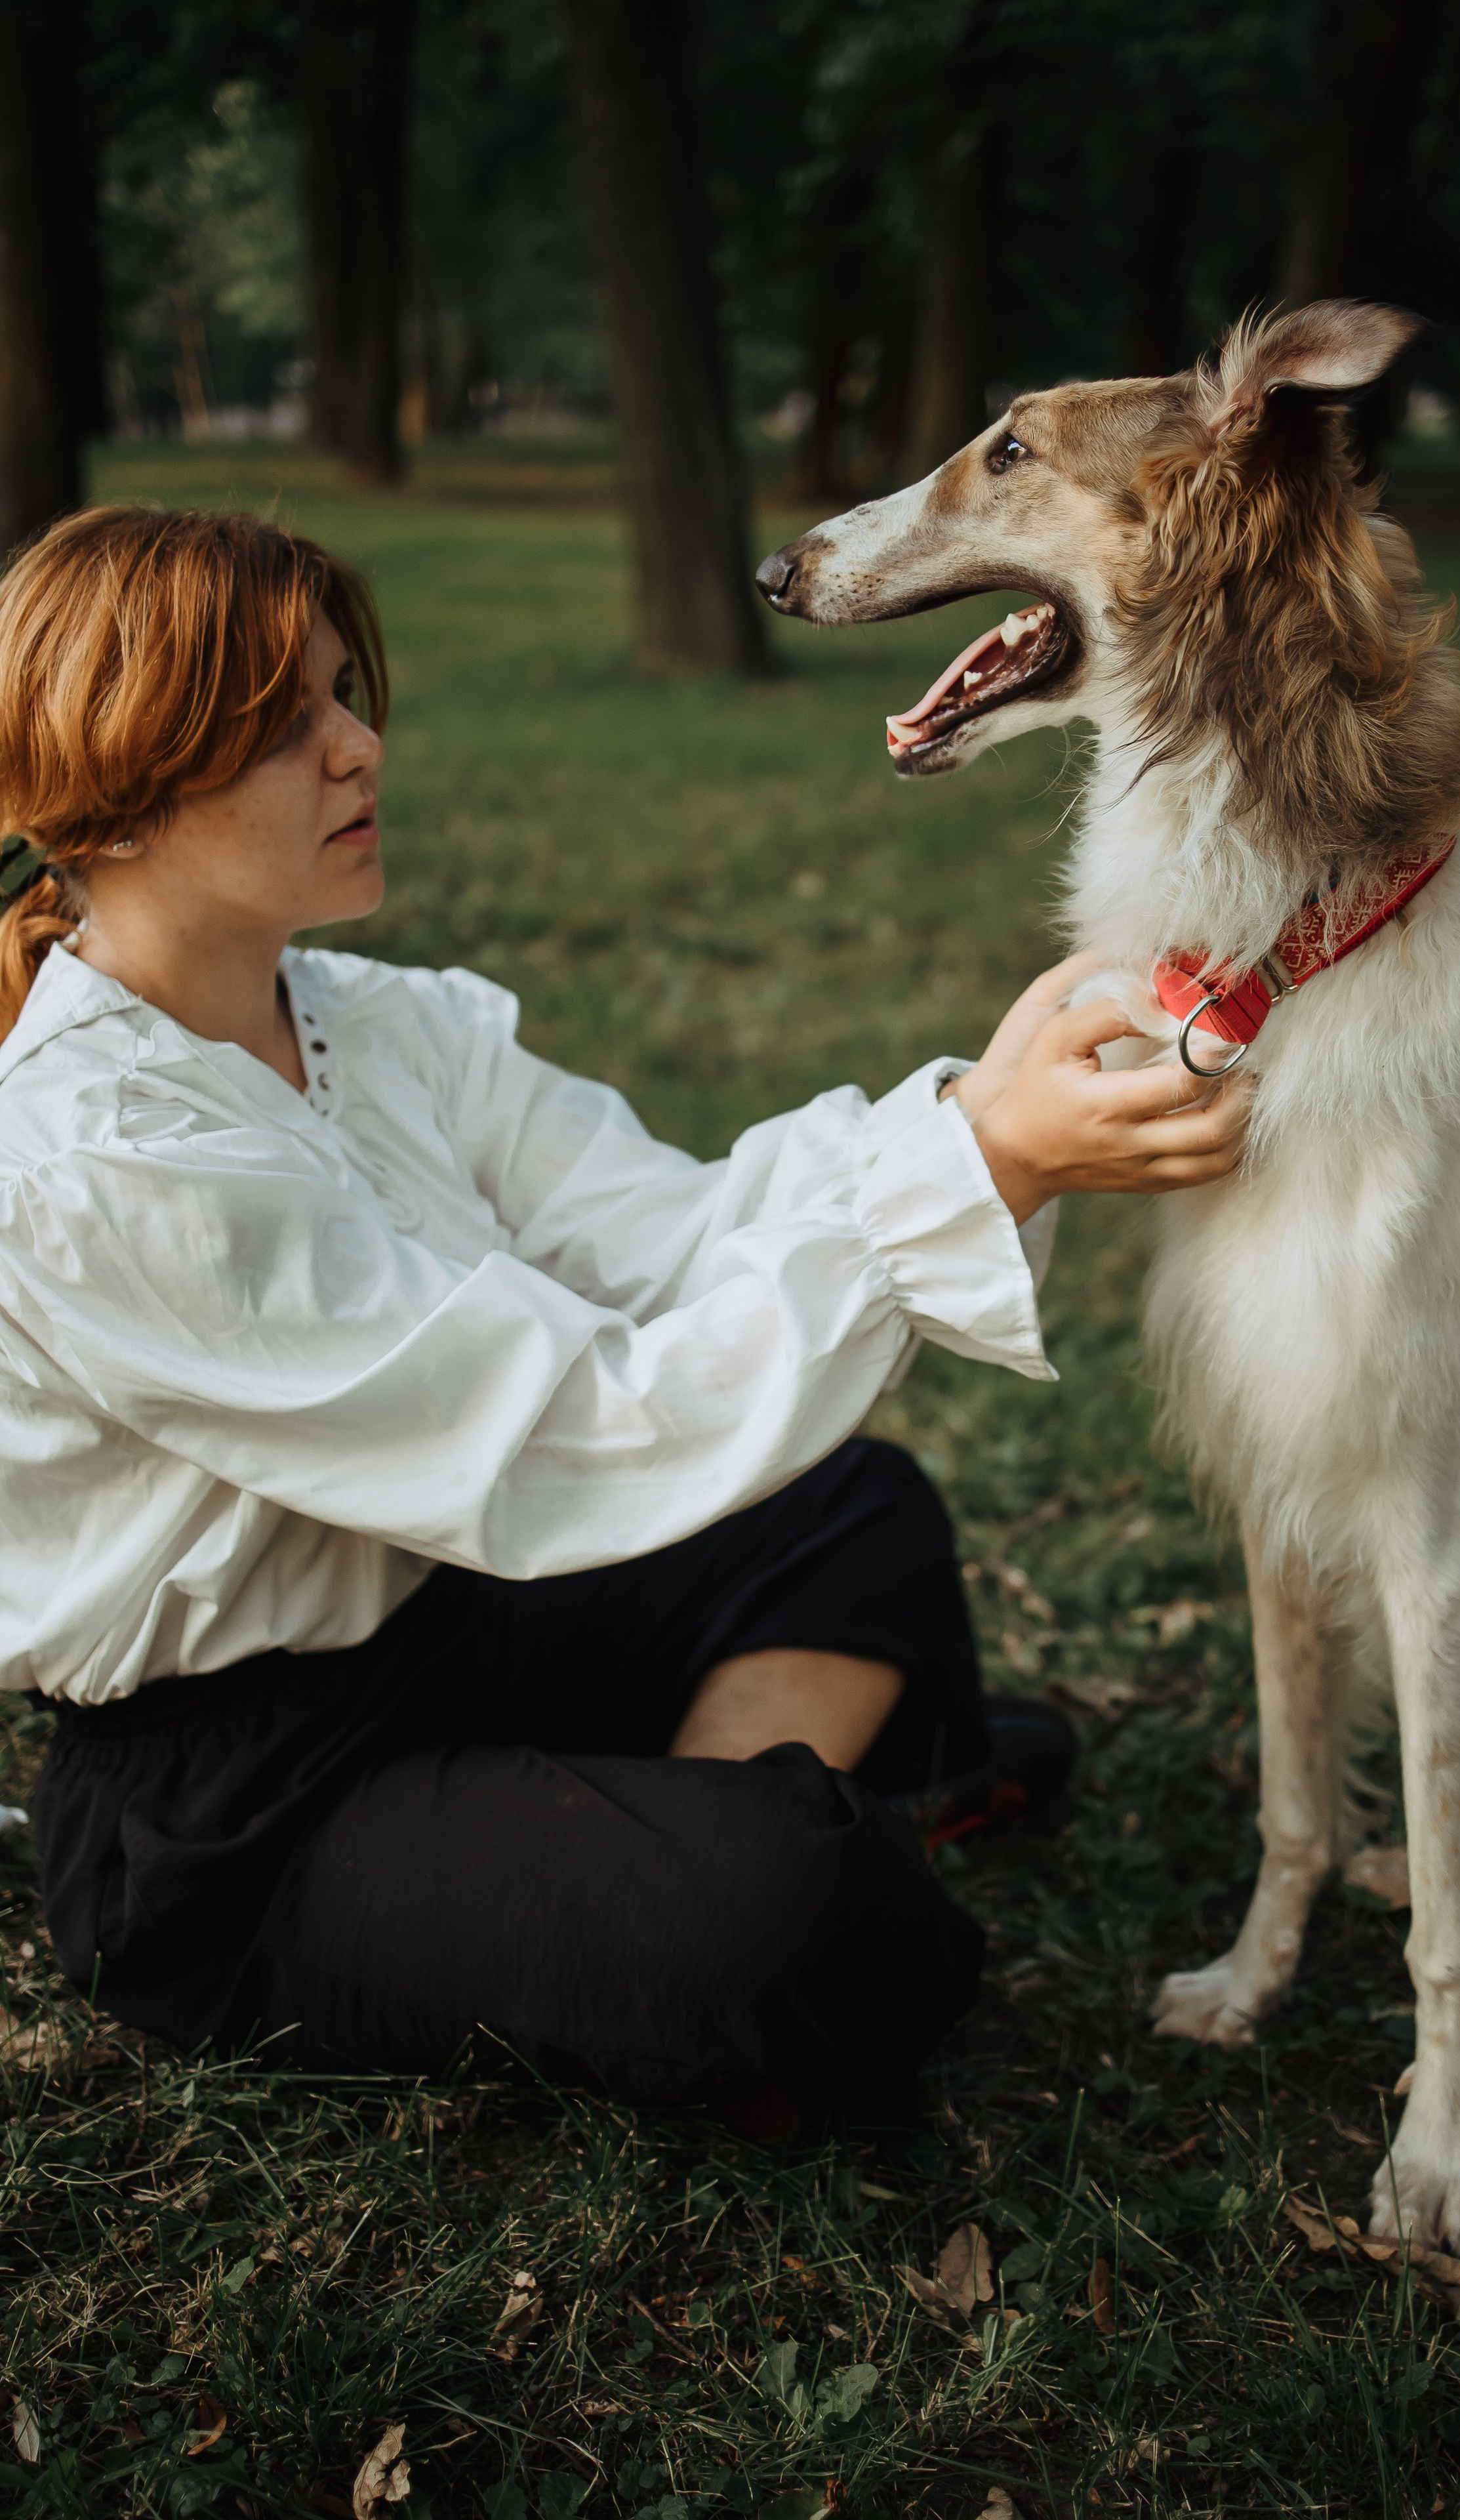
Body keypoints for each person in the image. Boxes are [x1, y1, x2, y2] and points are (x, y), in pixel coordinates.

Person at [0, 506, 1247, 2121]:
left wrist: (974, 1131)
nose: (360, 745)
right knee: (800, 1915)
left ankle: (630, 1831)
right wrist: (980, 1167)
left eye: (346, 693)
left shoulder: (384, 1026)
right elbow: (577, 1431)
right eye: (284, 724)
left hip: (453, 1623)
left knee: (849, 1507)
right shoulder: (100, 1165)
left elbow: (673, 1233)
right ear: (123, 786)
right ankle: (694, 1850)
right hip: (238, 1810)